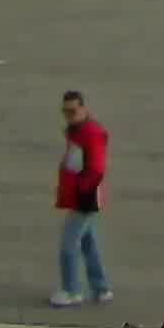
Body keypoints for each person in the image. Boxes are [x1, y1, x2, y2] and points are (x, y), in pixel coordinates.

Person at [51, 90, 111, 308]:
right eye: (65, 112)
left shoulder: (91, 134)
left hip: (84, 198)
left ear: (84, 109)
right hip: (81, 196)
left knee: (69, 245)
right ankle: (101, 288)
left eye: (73, 111)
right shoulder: (77, 132)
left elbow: (96, 169)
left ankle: (72, 290)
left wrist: (80, 191)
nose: (69, 116)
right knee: (88, 243)